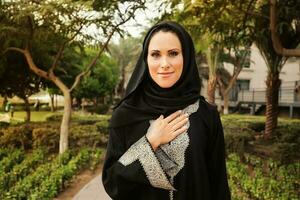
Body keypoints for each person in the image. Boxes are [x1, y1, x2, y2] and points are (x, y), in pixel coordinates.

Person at [102, 21, 231, 200]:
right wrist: (150, 142)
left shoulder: (206, 115)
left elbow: (218, 183)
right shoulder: (126, 114)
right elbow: (113, 183)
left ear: (186, 57)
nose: (164, 64)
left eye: (173, 53)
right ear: (146, 60)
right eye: (155, 54)